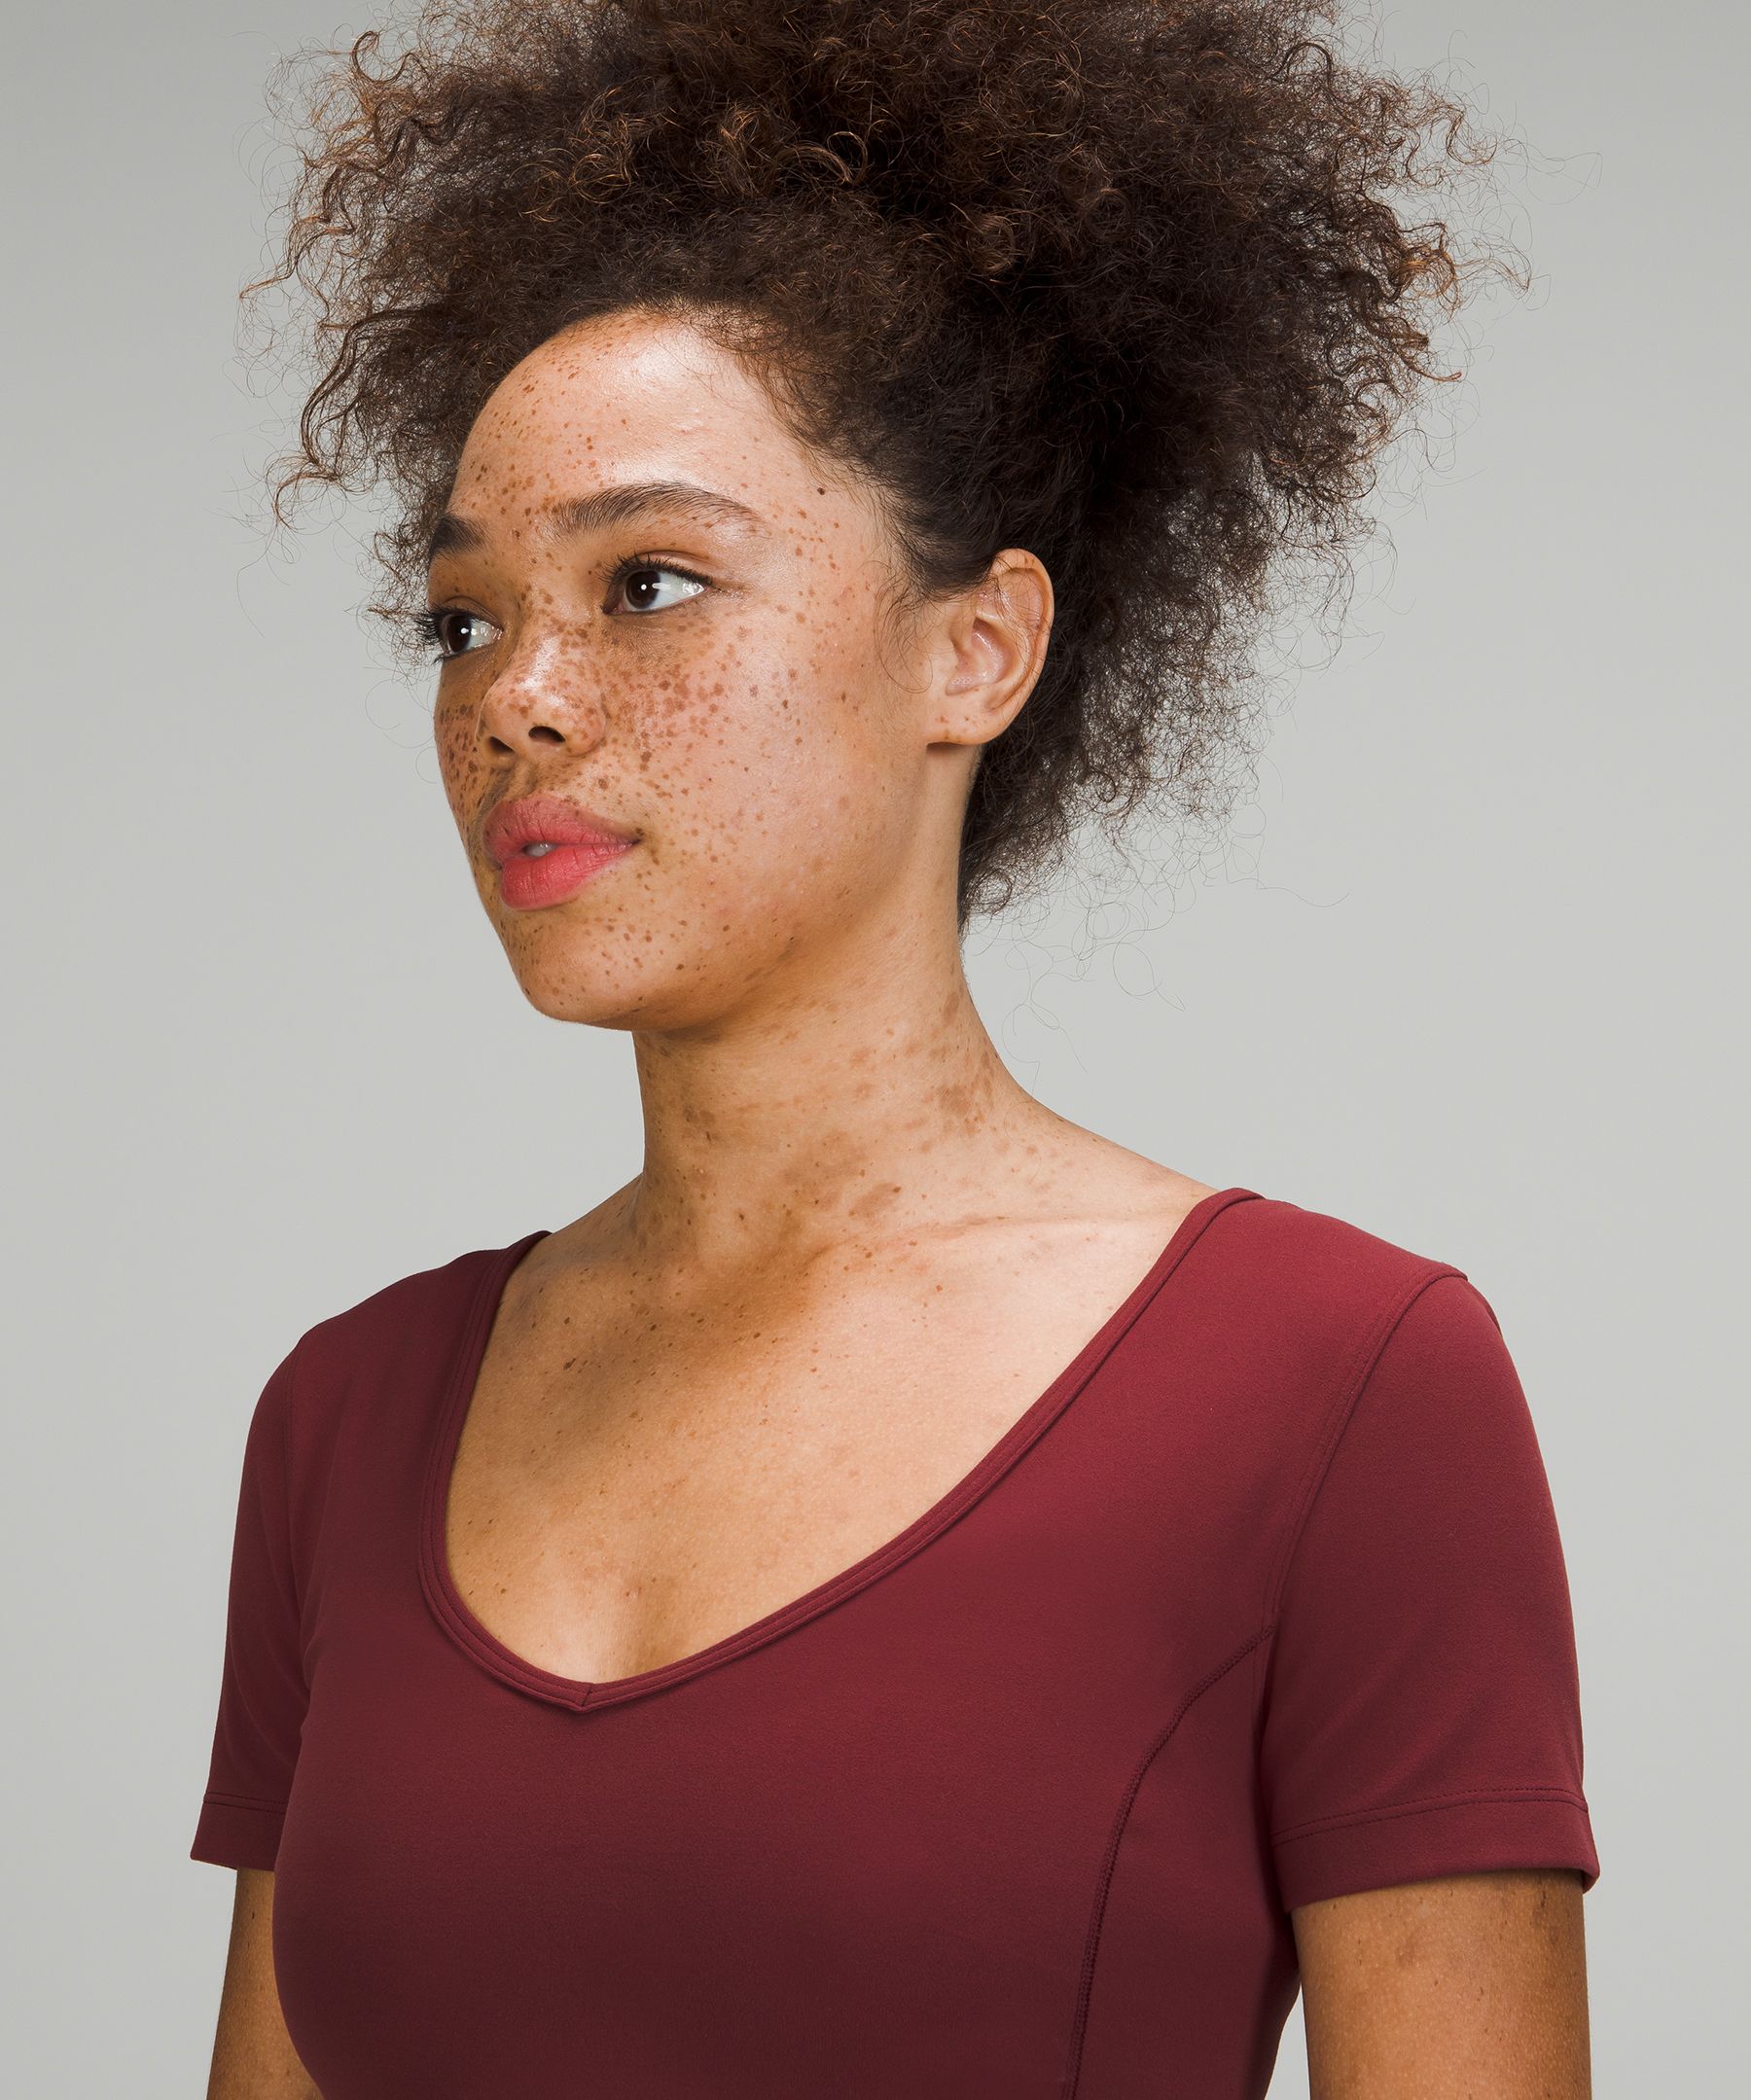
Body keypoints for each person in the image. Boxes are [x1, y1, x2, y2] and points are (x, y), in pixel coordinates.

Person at [191, 3, 1599, 2093]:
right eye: (463, 618)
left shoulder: (1338, 1386)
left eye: (648, 583)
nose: (517, 700)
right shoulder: (349, 1419)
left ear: (979, 649)